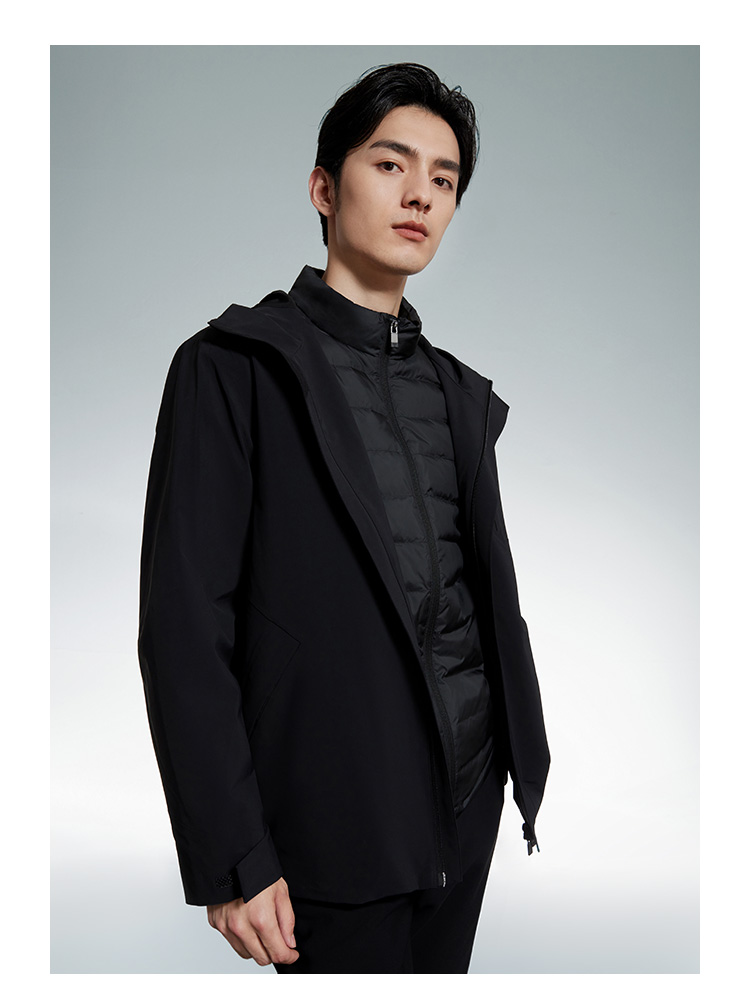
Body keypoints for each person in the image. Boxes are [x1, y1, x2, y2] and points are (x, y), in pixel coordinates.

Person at [137, 62, 550, 974]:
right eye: (391, 164)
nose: (420, 195)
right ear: (324, 188)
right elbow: (183, 627)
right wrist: (233, 854)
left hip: (464, 809)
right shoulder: (232, 368)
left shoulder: (456, 393)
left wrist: (508, 768)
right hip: (323, 821)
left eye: (444, 179)